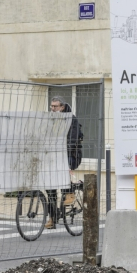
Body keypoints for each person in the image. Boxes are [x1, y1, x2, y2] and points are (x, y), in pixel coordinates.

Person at [46, 96, 83, 228]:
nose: (52, 109)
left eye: (55, 106)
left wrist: (61, 154)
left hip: (71, 155)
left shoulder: (71, 119)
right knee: (49, 188)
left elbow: (72, 141)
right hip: (53, 156)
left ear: (62, 107)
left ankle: (70, 192)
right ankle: (52, 216)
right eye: (51, 106)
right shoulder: (50, 120)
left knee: (62, 171)